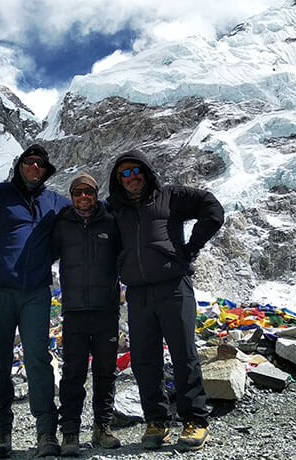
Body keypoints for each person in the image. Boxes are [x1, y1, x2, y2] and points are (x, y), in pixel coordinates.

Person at [106, 150, 224, 451]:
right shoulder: (115, 208)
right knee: (145, 360)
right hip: (137, 293)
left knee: (183, 353)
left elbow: (212, 208)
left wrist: (190, 247)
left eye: (136, 172)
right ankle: (156, 422)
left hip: (173, 286)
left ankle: (195, 420)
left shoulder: (169, 196)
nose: (132, 178)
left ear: (146, 172)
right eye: (125, 174)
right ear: (118, 179)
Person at [0, 144, 70, 459]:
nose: (35, 167)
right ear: (20, 166)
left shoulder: (54, 202)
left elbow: (85, 213)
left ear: (46, 170)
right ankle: (1, 434)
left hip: (37, 293)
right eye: (29, 162)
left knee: (38, 359)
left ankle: (46, 433)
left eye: (40, 163)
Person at [50, 173, 122, 456]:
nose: (84, 197)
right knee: (73, 374)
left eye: (89, 192)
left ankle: (102, 428)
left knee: (106, 372)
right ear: (72, 195)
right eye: (78, 192)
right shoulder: (62, 225)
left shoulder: (111, 223)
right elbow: (45, 255)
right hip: (75, 311)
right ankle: (70, 433)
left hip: (106, 311)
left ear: (95, 194)